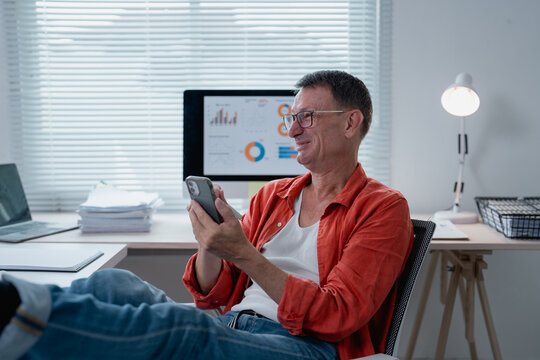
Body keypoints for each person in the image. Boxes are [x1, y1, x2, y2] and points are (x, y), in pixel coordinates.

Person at [0, 70, 413, 360]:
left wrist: (248, 255)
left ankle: (16, 312)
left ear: (350, 123)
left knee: (182, 331)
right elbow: (213, 294)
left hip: (305, 347)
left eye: (307, 117)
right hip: (236, 325)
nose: (292, 130)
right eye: (292, 118)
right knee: (114, 283)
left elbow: (337, 315)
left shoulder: (382, 207)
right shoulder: (275, 194)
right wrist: (211, 243)